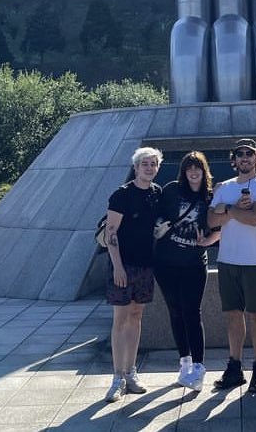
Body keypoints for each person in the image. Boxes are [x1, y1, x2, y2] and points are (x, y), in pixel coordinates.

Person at [208, 138, 256, 393]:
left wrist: (229, 210)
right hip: (227, 260)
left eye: (250, 154)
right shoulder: (223, 187)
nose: (244, 158)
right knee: (232, 316)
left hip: (254, 261)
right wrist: (233, 211)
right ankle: (234, 366)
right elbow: (211, 220)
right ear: (233, 159)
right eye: (240, 154)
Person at [154, 151, 221, 392]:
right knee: (175, 311)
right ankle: (184, 363)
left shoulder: (211, 197)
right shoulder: (172, 190)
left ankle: (200, 367)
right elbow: (158, 213)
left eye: (198, 168)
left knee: (192, 312)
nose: (193, 172)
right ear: (183, 171)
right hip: (165, 262)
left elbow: (221, 227)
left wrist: (209, 240)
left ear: (204, 171)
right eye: (189, 168)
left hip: (194, 263)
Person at [103, 146, 163, 403]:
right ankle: (117, 377)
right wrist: (117, 266)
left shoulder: (157, 194)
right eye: (144, 164)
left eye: (153, 164)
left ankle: (131, 372)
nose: (149, 168)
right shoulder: (122, 195)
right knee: (120, 319)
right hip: (123, 265)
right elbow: (111, 233)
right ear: (136, 167)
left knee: (136, 317)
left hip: (145, 265)